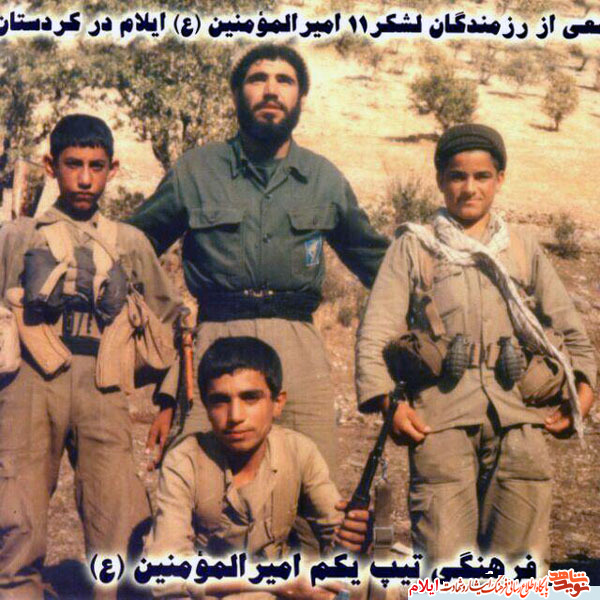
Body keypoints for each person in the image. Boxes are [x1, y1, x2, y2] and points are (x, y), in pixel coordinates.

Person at [127, 43, 390, 473]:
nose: (271, 90)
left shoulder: (323, 178)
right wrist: (167, 330)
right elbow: (131, 249)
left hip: (299, 349)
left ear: (300, 97)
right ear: (236, 94)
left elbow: (378, 264)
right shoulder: (196, 171)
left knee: (313, 483)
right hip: (215, 342)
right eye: (257, 79)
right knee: (204, 482)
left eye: (284, 81)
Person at [355, 124, 596, 569]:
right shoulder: (414, 247)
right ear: (440, 180)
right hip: (440, 424)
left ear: (499, 179)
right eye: (457, 176)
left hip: (520, 420)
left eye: (482, 176)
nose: (469, 188)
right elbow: (376, 331)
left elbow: (572, 329)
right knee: (446, 563)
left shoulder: (523, 249)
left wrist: (584, 391)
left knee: (521, 569)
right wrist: (389, 403)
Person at [0, 114, 182, 600]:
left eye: (96, 166)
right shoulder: (17, 236)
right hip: (27, 387)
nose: (85, 178)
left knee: (117, 516)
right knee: (16, 515)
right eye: (73, 164)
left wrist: (167, 400)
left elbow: (168, 320)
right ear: (50, 166)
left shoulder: (129, 242)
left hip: (104, 386)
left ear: (112, 169)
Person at [144, 336, 369, 599]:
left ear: (278, 403)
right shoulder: (185, 460)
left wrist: (354, 536)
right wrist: (274, 581)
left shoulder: (299, 451)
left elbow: (336, 534)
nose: (235, 416)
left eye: (250, 398)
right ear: (206, 406)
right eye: (220, 401)